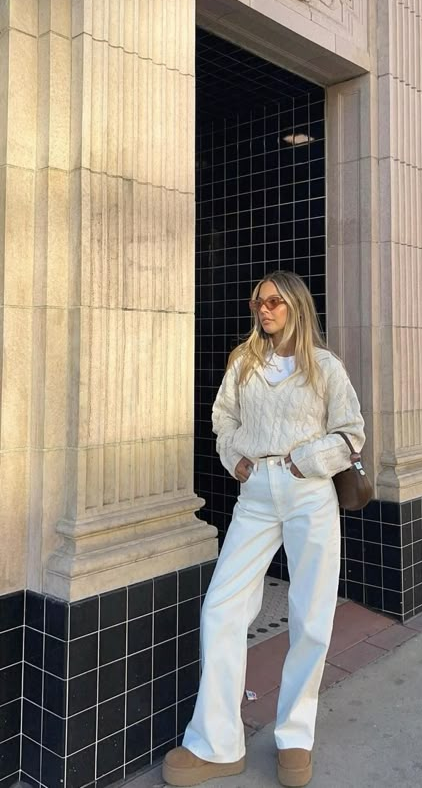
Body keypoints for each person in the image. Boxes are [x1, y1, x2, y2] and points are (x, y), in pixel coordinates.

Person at [163, 270, 365, 787]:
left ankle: (295, 737)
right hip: (255, 493)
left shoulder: (324, 366)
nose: (264, 309)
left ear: (296, 305)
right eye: (258, 302)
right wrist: (236, 462)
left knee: (311, 613)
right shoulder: (244, 362)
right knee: (222, 606)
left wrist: (305, 460)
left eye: (274, 301)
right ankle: (216, 742)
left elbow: (351, 434)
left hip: (309, 493)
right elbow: (222, 419)